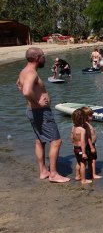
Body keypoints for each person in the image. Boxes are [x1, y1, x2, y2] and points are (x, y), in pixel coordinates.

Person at [16, 47, 70, 183]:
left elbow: (19, 84)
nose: (44, 58)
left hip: (32, 111)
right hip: (40, 112)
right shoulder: (31, 73)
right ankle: (53, 174)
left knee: (40, 141)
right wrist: (38, 103)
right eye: (43, 56)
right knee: (56, 141)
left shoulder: (25, 71)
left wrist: (33, 99)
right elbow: (26, 91)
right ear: (37, 58)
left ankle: (43, 171)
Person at [71, 108, 91, 184]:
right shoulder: (82, 130)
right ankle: (83, 180)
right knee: (83, 164)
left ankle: (77, 176)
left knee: (78, 162)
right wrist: (84, 152)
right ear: (83, 119)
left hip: (75, 148)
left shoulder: (73, 127)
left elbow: (71, 137)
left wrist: (73, 144)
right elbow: (82, 141)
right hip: (81, 149)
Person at [81, 106, 102, 179]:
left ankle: (78, 175)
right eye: (90, 115)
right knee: (92, 160)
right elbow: (88, 137)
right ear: (86, 116)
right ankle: (93, 174)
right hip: (90, 145)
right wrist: (91, 146)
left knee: (82, 162)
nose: (92, 116)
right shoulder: (87, 125)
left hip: (89, 145)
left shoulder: (85, 125)